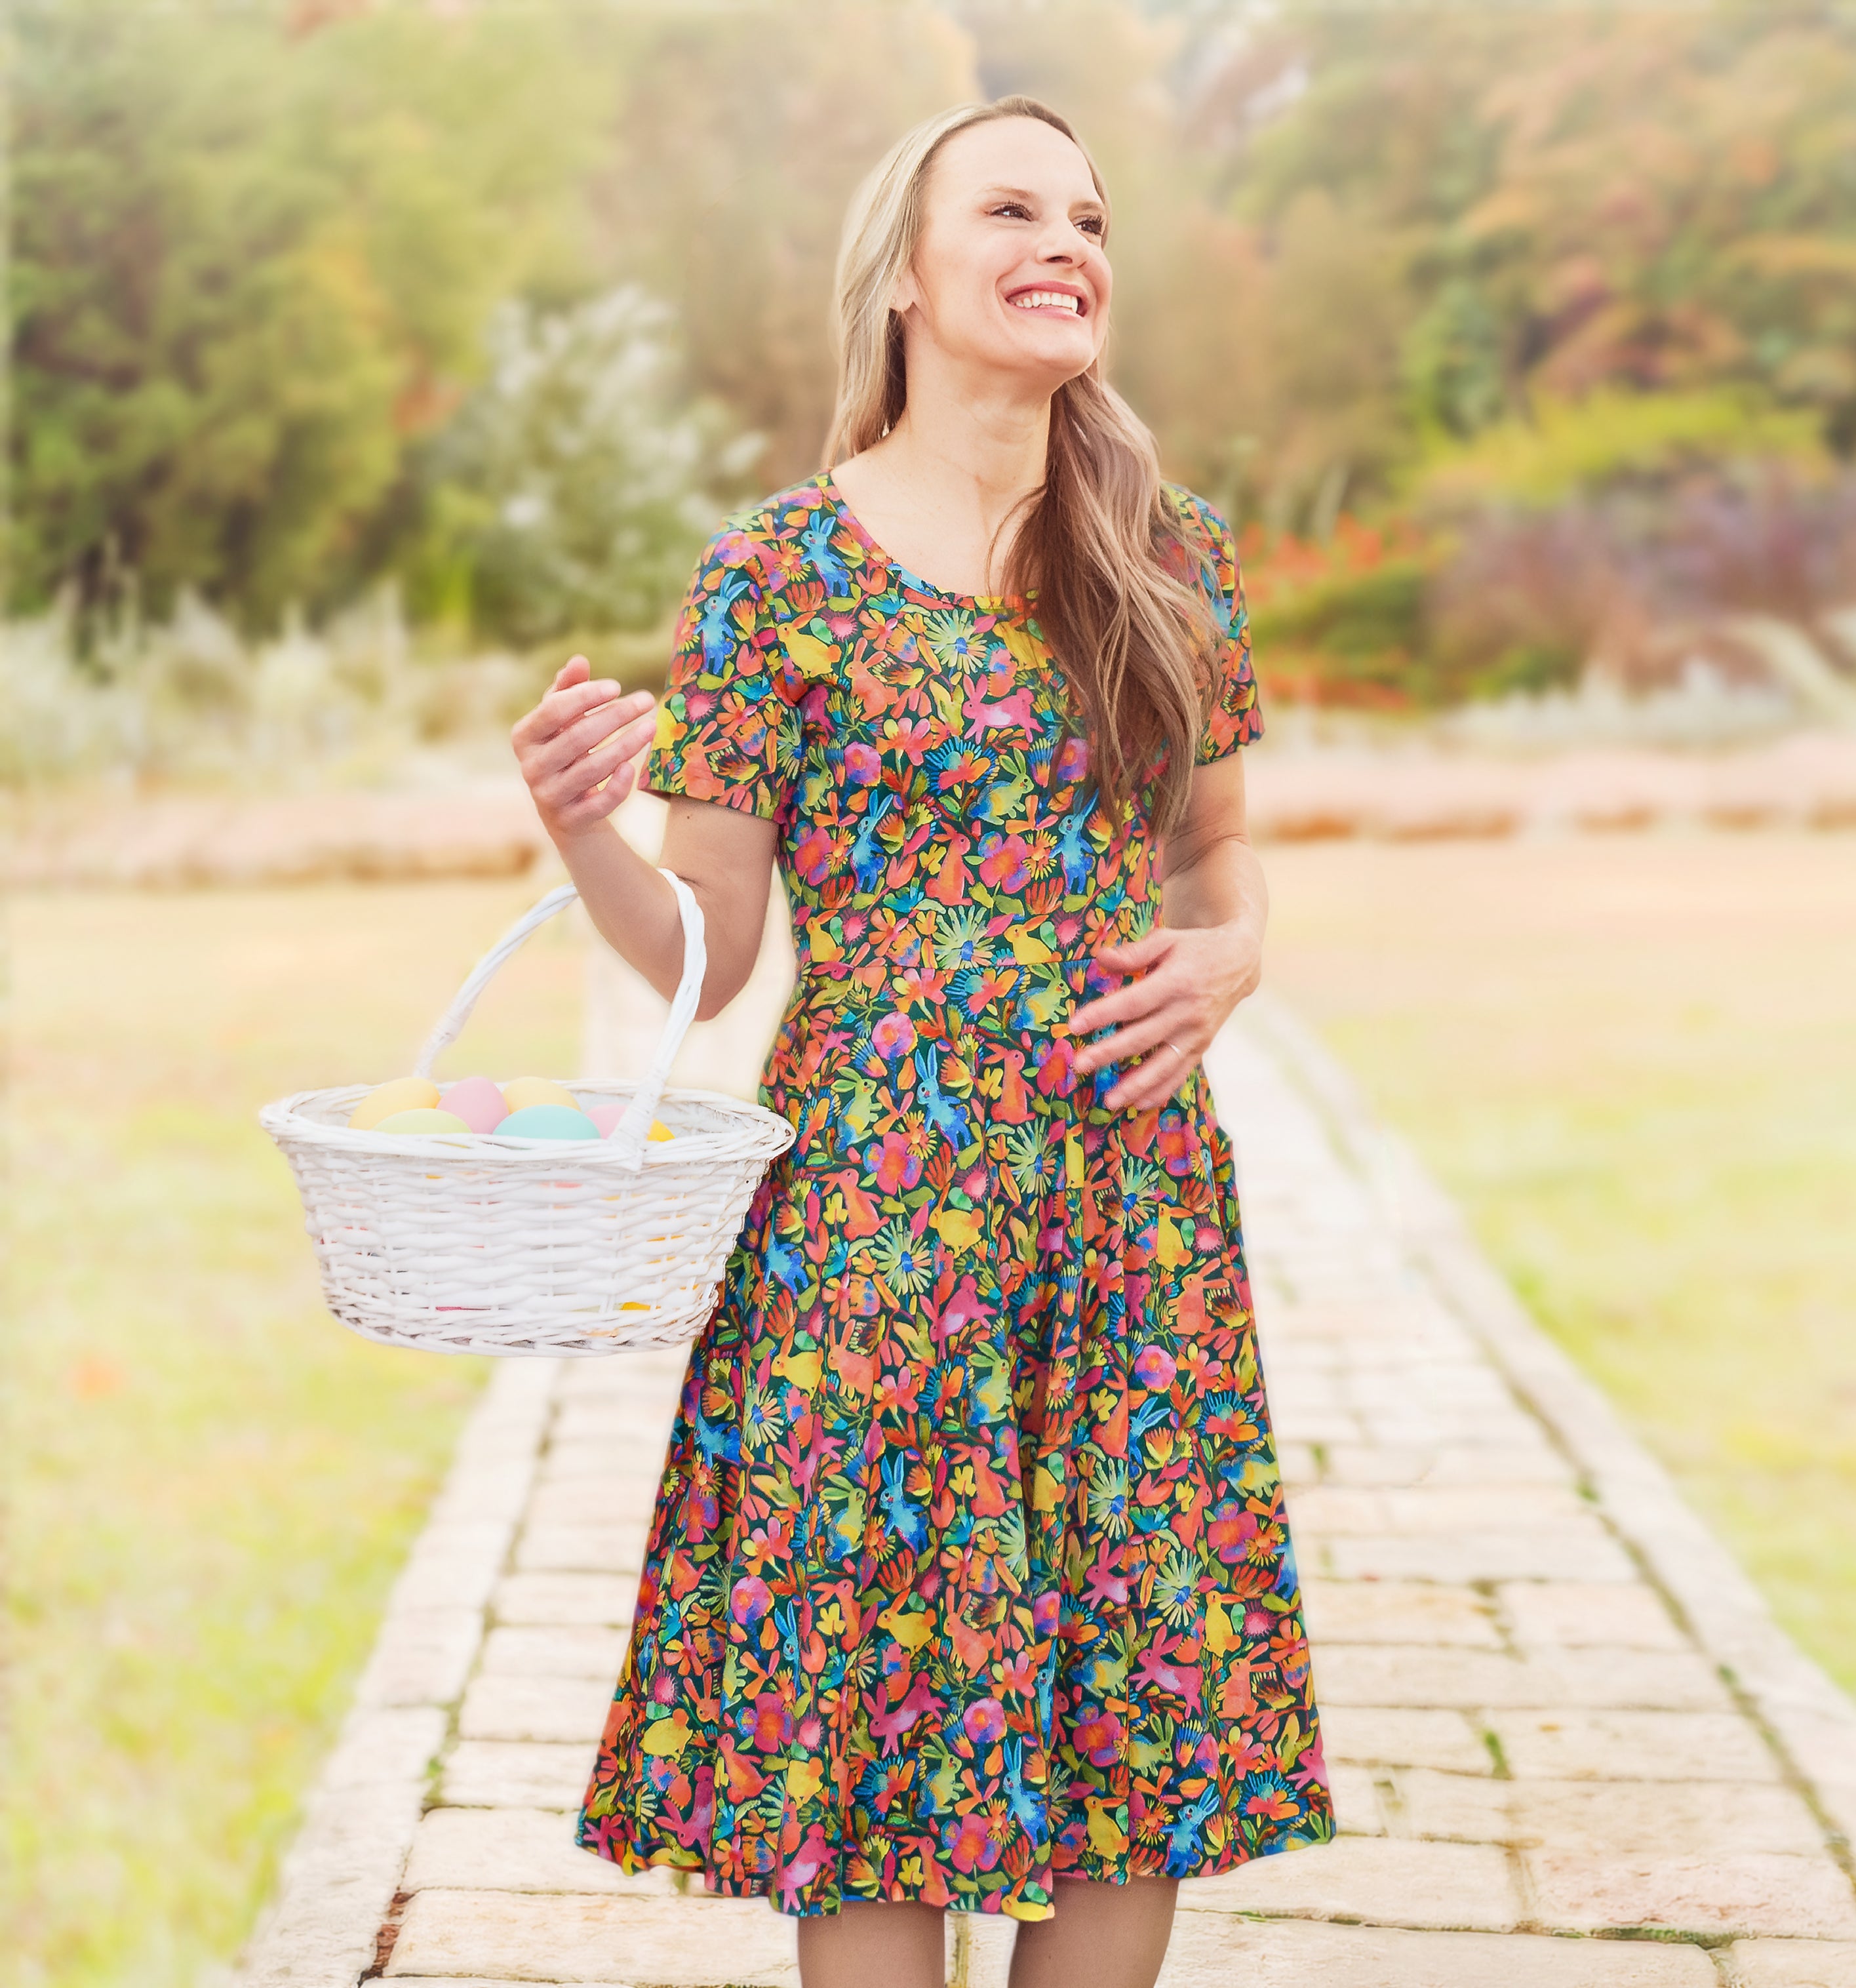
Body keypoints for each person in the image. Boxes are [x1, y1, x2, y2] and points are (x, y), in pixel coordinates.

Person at [511, 94, 1334, 1988]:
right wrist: (579, 831)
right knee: (875, 1723)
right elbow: (708, 957)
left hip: (1126, 1201)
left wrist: (1241, 958)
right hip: (870, 1228)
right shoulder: (775, 576)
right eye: (1017, 209)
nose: (1071, 244)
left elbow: (1218, 855)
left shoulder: (1166, 549)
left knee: (1139, 1714)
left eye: (1093, 219)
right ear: (904, 275)